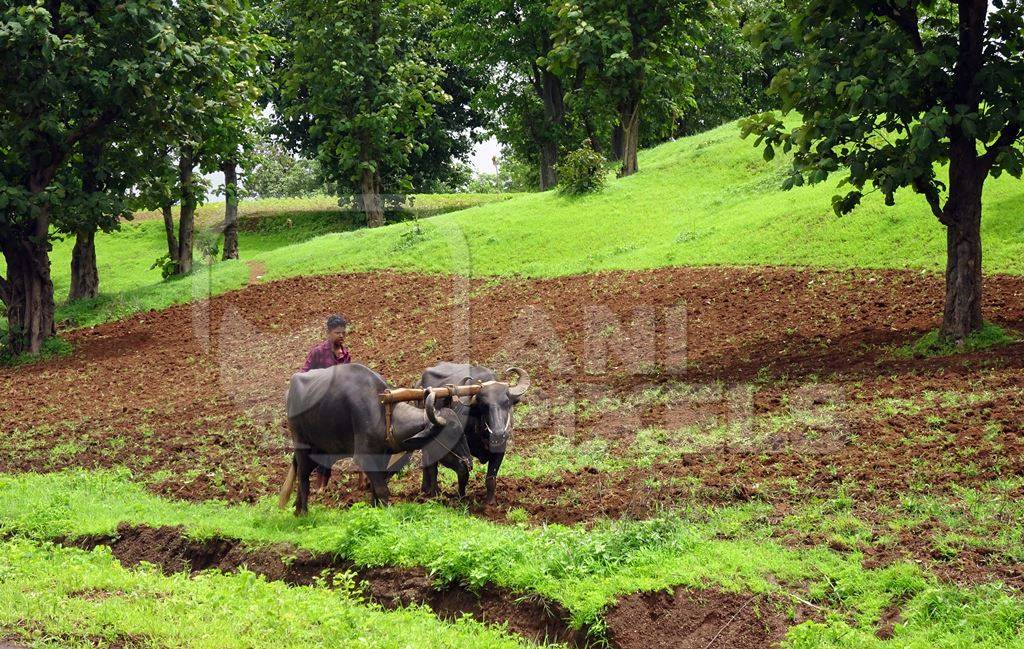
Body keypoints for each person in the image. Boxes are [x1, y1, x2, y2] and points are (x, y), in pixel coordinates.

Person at [298, 314, 351, 490]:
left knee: (332, 447)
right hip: (319, 406)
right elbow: (304, 375)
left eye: (344, 332)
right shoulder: (318, 352)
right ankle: (318, 485)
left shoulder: (345, 355)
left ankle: (323, 486)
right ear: (328, 333)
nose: (341, 336)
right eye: (338, 332)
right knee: (321, 446)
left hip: (338, 407)